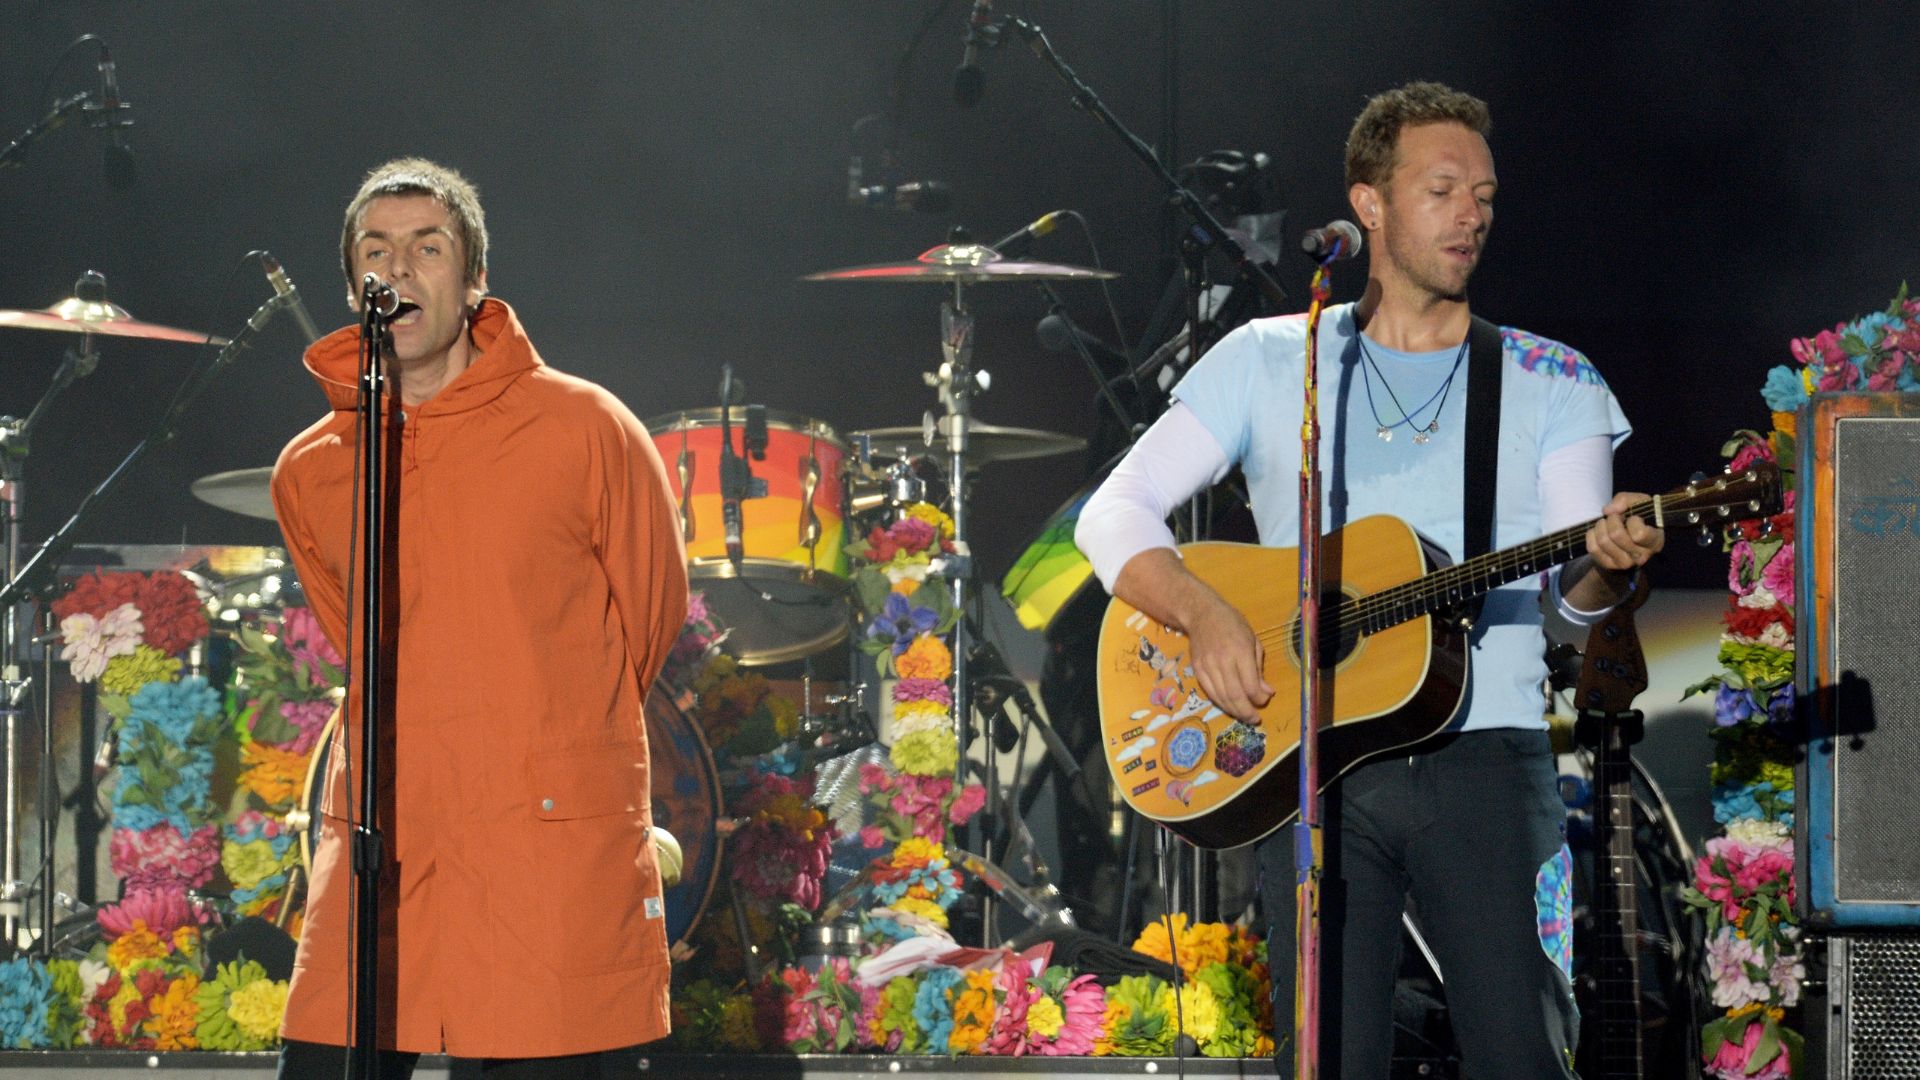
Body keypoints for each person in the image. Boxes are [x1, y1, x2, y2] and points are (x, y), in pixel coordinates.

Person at [1074, 82, 1665, 1077]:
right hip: (1312, 774)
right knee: (1330, 1059)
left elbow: (1566, 619)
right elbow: (1110, 515)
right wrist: (1207, 612)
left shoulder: (1555, 382)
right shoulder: (1271, 361)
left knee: (1520, 1058)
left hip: (1491, 766)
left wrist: (1606, 577)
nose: (1472, 212)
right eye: (1443, 189)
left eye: (1483, 192)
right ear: (1370, 206)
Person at [270, 158, 689, 1078]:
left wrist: (546, 737)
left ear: (474, 281)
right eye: (376, 250)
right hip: (385, 842)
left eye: (430, 247)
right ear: (355, 287)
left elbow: (647, 620)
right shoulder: (314, 465)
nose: (402, 268)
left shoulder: (586, 427)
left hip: (543, 849)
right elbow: (357, 643)